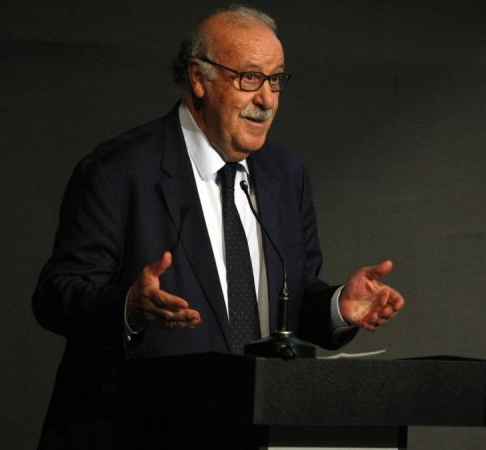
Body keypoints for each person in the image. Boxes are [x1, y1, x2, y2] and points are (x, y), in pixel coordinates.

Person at [32, 5, 404, 449]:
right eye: (249, 78)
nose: (267, 99)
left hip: (251, 435)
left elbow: (293, 301)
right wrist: (129, 306)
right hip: (136, 432)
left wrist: (338, 307)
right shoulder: (119, 170)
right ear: (198, 78)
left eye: (276, 80)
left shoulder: (285, 176)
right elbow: (55, 296)